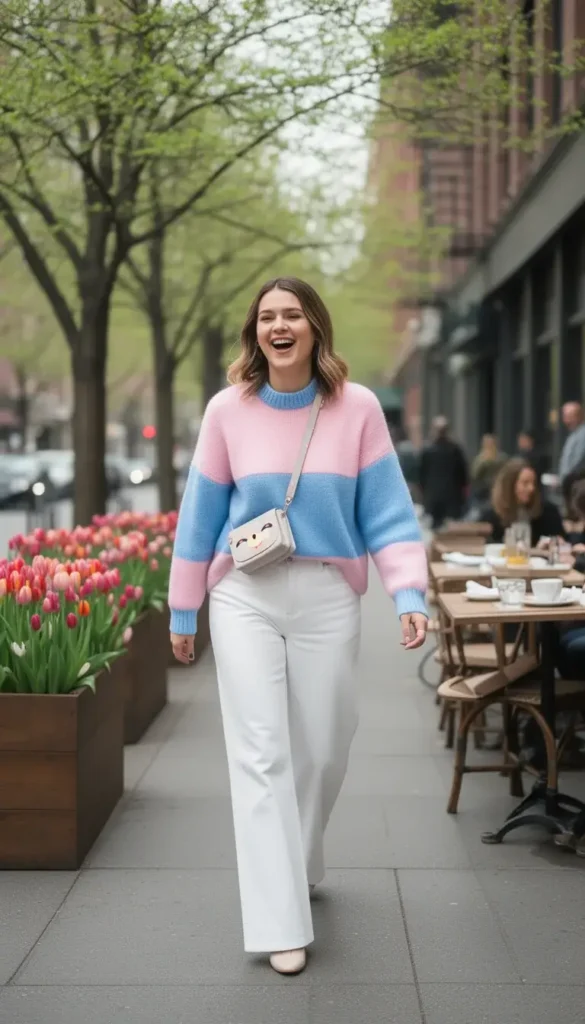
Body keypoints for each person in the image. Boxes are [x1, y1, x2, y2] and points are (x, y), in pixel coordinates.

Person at [167, 277, 428, 976]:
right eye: (266, 317)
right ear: (254, 332)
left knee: (323, 744)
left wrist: (409, 595)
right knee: (259, 754)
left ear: (314, 327)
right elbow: (198, 514)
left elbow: (388, 512)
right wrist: (183, 606)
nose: (278, 326)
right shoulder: (228, 410)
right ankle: (280, 918)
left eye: (291, 315)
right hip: (244, 594)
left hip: (326, 595)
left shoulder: (357, 409)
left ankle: (301, 853)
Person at [480, 457, 565, 546]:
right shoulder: (491, 517)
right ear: (510, 486)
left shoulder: (548, 513)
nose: (531, 488)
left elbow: (561, 542)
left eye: (533, 483)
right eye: (525, 483)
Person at [419, 416, 468, 529]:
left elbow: (421, 475)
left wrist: (424, 492)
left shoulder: (428, 450)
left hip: (434, 497)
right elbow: (463, 474)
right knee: (451, 529)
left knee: (436, 528)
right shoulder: (455, 449)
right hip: (451, 497)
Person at [471, 434, 507, 505]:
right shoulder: (480, 459)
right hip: (483, 491)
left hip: (497, 489)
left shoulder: (502, 458)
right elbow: (474, 475)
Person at [559, 402, 585, 482]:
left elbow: (577, 461)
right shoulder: (573, 434)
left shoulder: (583, 434)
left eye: (570, 417)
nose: (566, 421)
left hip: (575, 483)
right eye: (565, 417)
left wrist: (566, 479)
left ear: (579, 416)